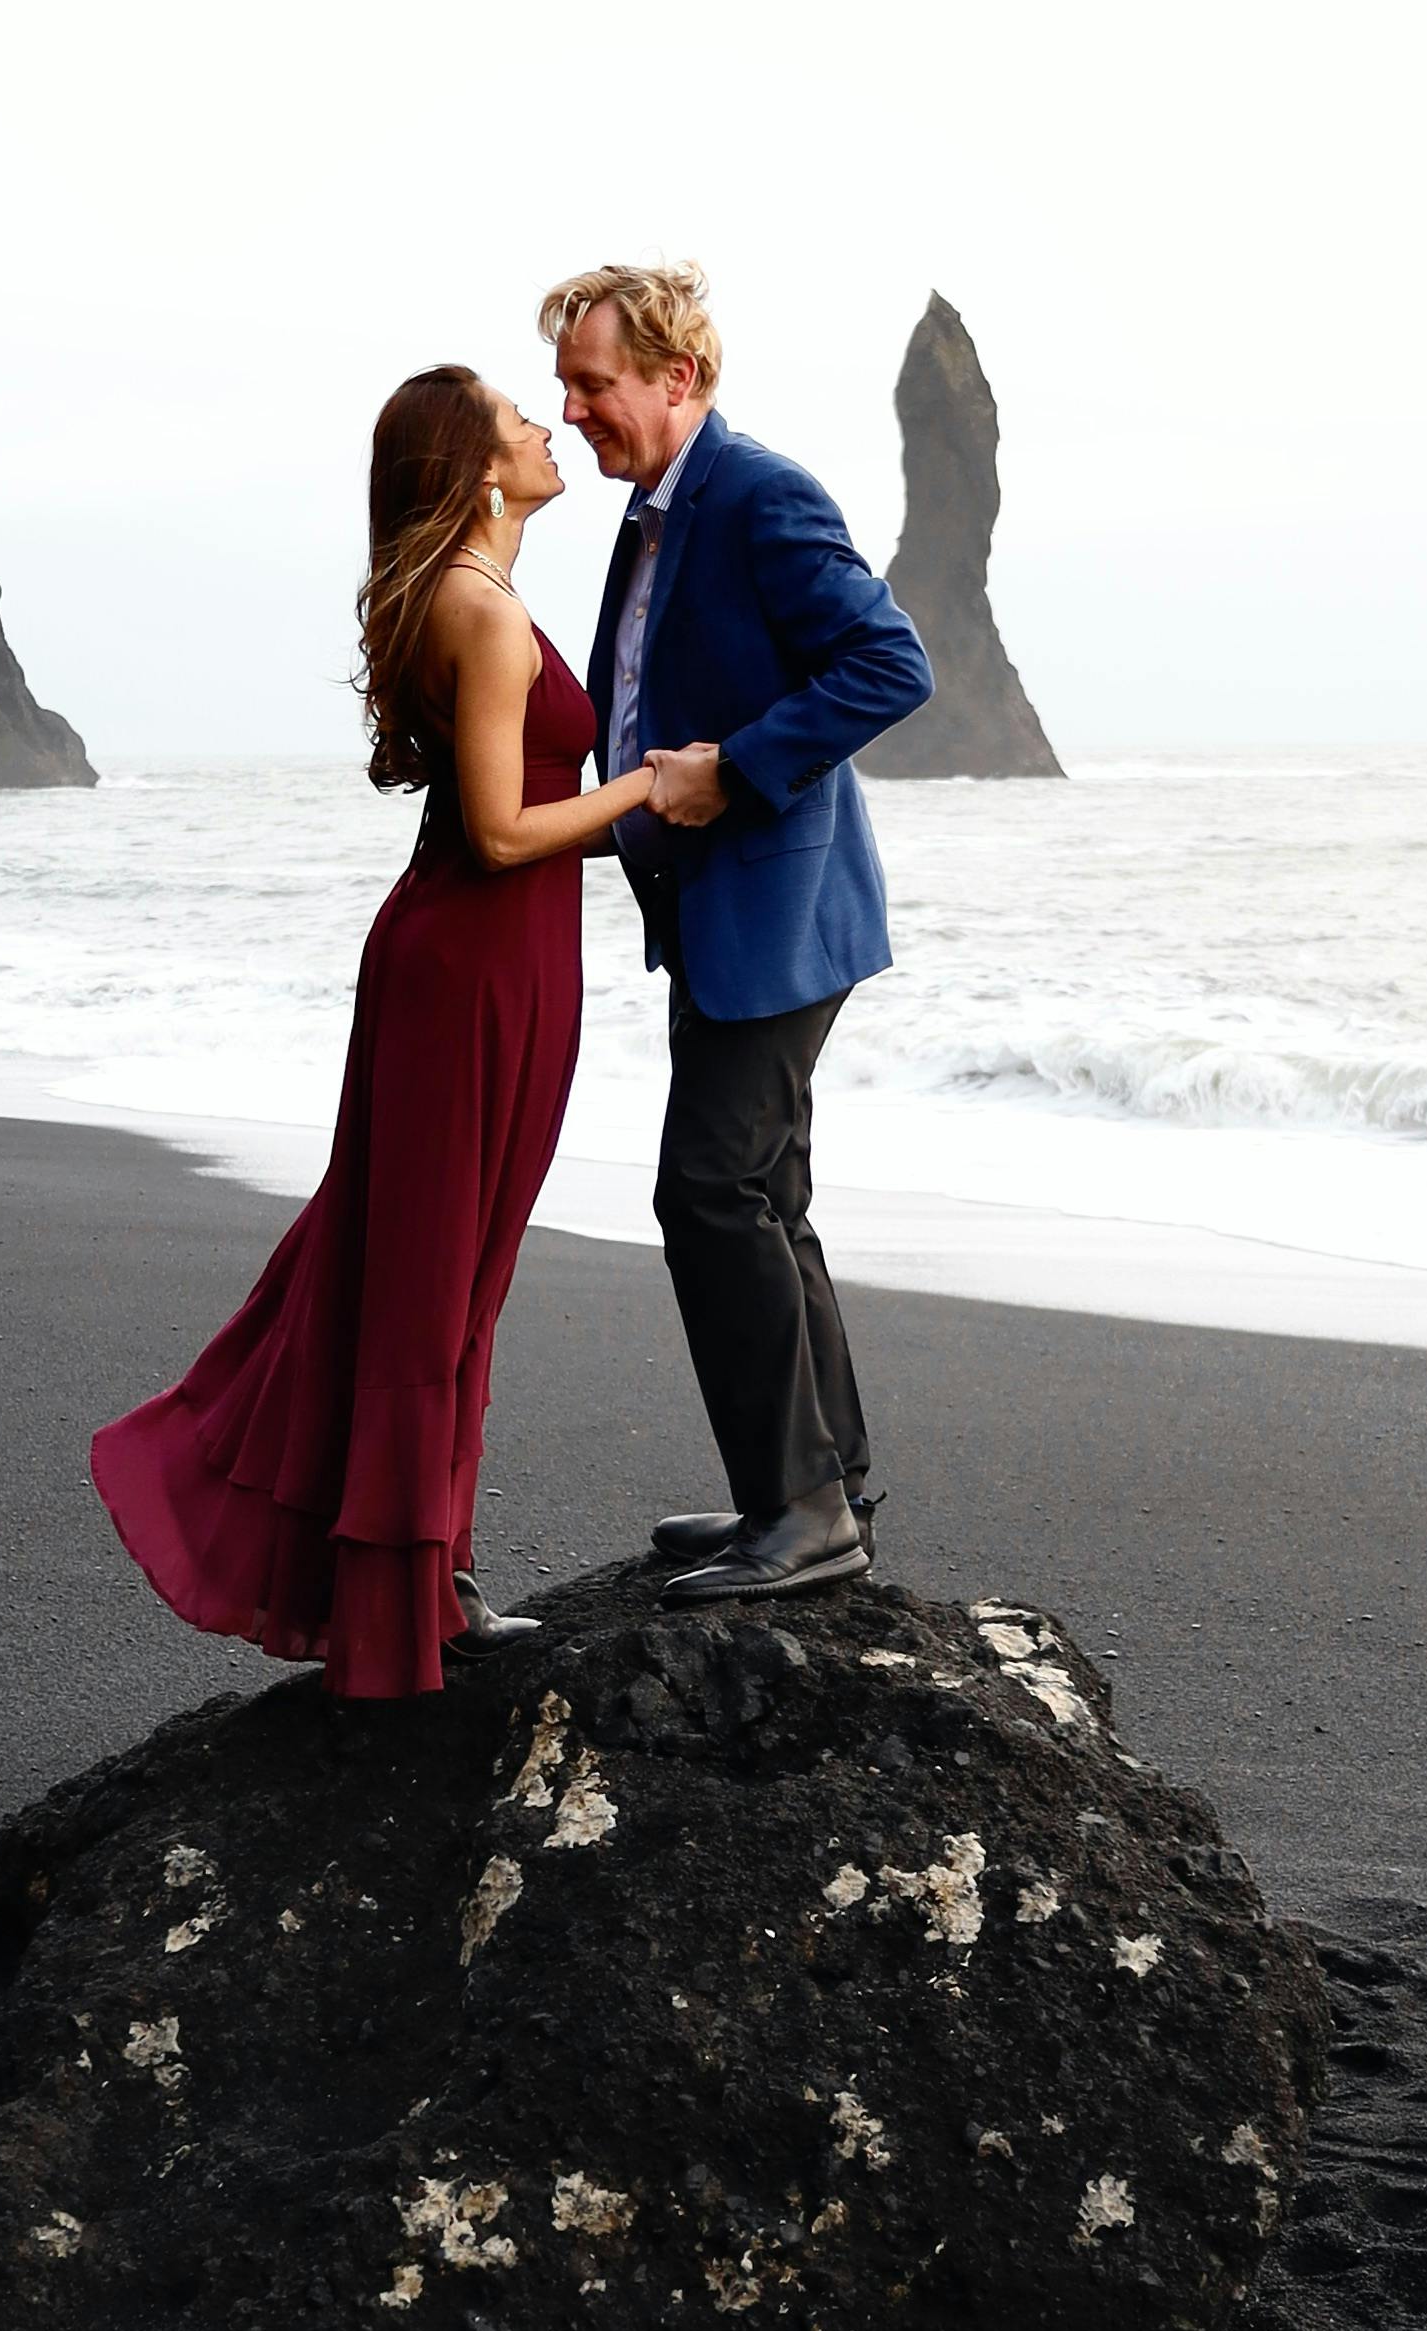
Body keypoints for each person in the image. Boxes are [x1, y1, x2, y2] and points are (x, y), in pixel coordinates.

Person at [89, 367, 681, 1697]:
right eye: (518, 419)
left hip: (505, 961)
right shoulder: (475, 612)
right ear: (478, 470)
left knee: (455, 1274)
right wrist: (651, 788)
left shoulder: (486, 599)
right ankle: (395, 1609)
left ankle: (431, 1574)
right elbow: (498, 829)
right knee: (421, 1284)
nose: (544, 426)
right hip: (466, 963)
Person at [540, 263, 934, 1606]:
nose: (575, 408)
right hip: (720, 912)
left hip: (779, 902)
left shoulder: (755, 493)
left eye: (593, 384)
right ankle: (814, 1494)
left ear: (675, 378)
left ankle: (805, 1508)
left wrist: (735, 768)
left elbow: (890, 664)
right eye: (567, 388)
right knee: (765, 1195)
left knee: (705, 1190)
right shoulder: (653, 515)